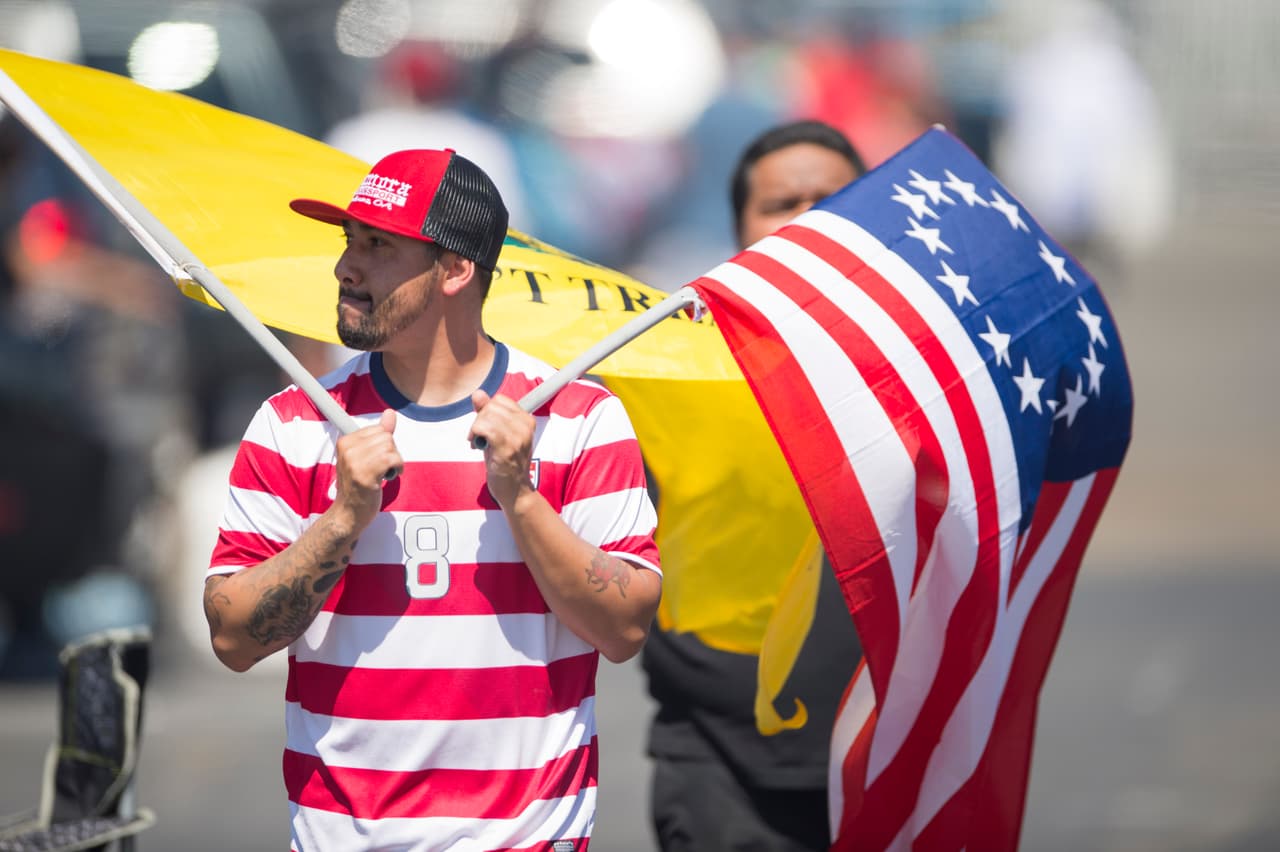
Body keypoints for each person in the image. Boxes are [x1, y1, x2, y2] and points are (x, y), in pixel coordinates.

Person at [201, 148, 662, 851]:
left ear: (455, 269)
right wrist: (344, 519)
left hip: (530, 837)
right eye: (348, 242)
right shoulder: (296, 420)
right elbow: (233, 637)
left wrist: (522, 499)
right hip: (338, 836)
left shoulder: (577, 416)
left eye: (378, 246)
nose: (345, 268)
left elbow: (625, 628)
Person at [641, 119, 865, 852]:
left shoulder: (932, 371)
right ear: (741, 227)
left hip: (881, 744)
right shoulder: (663, 358)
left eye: (828, 199)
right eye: (780, 203)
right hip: (712, 755)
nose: (803, 219)